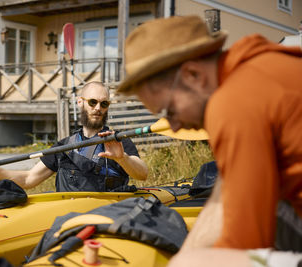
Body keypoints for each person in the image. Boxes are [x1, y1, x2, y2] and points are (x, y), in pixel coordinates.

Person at [117, 15, 302, 267]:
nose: (173, 127)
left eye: (169, 111)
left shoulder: (232, 103)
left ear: (194, 74)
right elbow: (225, 189)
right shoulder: (257, 68)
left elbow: (244, 242)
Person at [0, 81, 148, 192]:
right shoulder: (64, 146)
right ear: (80, 102)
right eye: (93, 102)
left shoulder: (117, 141)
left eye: (104, 103)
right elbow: (28, 179)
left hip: (106, 216)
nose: (98, 108)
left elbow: (143, 174)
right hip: (67, 217)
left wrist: (122, 158)